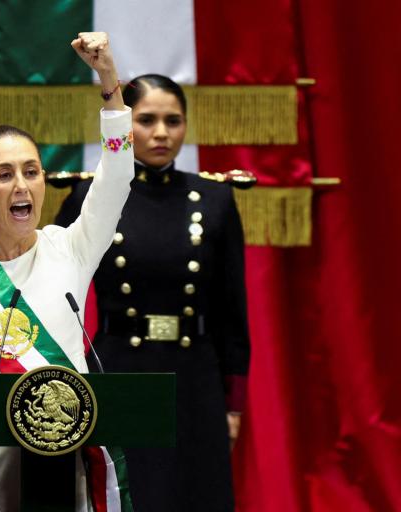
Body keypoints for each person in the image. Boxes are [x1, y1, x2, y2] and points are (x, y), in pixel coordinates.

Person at [0, 33, 135, 512]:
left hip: (69, 465)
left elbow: (118, 174)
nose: (22, 185)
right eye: (4, 174)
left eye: (32, 171)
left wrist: (109, 82)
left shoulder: (72, 247)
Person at [56, 74, 251, 512]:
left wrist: (233, 405)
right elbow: (58, 299)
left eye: (173, 120)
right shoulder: (90, 197)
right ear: (125, 126)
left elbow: (231, 312)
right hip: (118, 370)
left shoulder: (215, 199)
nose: (161, 133)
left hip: (195, 375)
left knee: (195, 496)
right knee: (127, 494)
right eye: (146, 119)